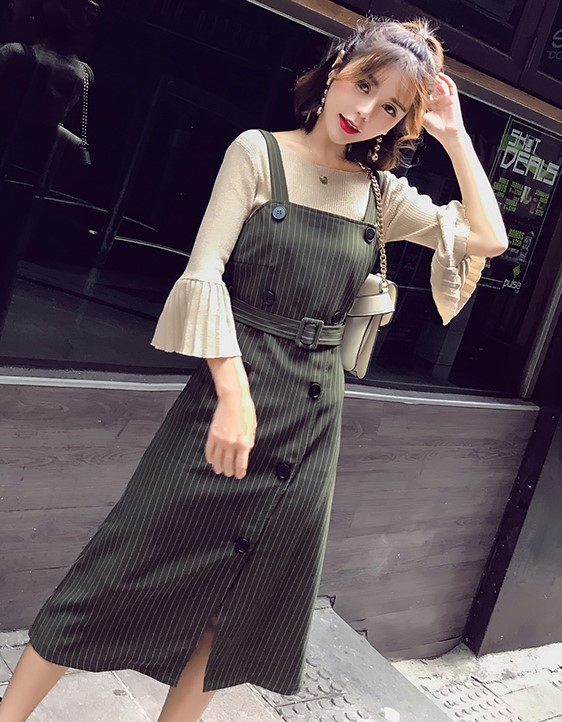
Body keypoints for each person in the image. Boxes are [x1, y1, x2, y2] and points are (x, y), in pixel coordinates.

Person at [0, 17, 508, 722]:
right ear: (337, 69)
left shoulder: (380, 194)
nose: (366, 111)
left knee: (235, 605)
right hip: (227, 396)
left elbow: (487, 237)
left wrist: (454, 136)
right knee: (115, 569)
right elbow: (205, 273)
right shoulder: (258, 153)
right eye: (364, 85)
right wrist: (234, 398)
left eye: (390, 107)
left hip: (312, 422)